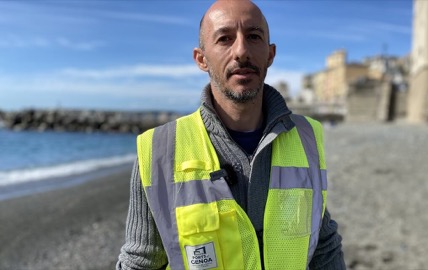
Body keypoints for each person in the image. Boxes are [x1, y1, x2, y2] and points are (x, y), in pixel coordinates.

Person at [117, 1, 345, 269]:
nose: (241, 50)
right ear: (201, 58)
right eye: (225, 38)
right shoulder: (159, 151)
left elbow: (323, 246)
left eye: (253, 36)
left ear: (270, 54)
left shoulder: (306, 137)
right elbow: (140, 263)